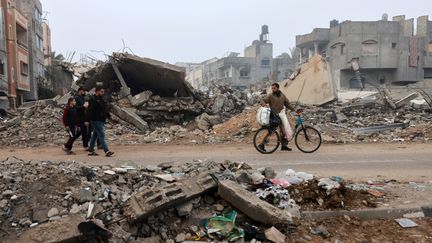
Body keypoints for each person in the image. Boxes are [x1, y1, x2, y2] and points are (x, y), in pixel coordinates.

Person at [260, 83, 296, 151]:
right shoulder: (270, 95)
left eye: (274, 88)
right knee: (271, 131)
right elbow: (263, 101)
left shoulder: (282, 96)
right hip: (273, 116)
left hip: (281, 116)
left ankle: (283, 146)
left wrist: (294, 109)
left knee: (283, 131)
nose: (273, 89)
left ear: (278, 88)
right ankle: (261, 144)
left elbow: (287, 104)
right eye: (272, 88)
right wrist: (264, 104)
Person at [87, 86, 114, 157]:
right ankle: (106, 151)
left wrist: (108, 115)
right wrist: (87, 120)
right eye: (101, 91)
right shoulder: (92, 99)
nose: (103, 93)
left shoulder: (101, 99)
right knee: (101, 135)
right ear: (97, 91)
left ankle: (90, 151)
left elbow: (103, 109)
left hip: (101, 120)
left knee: (94, 136)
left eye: (103, 91)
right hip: (95, 120)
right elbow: (89, 111)